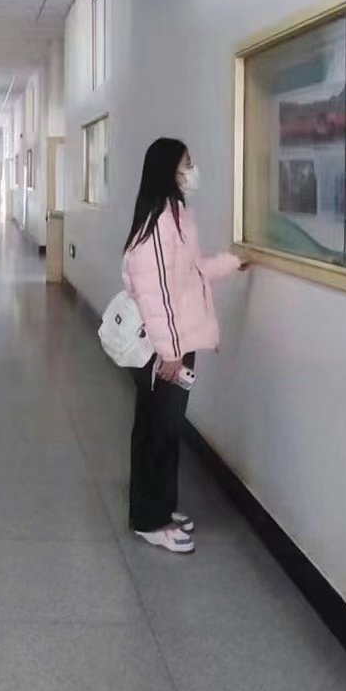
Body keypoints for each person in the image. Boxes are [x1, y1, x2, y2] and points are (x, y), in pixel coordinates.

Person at [121, 139, 249, 554]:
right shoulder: (159, 222)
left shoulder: (175, 215)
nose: (193, 171)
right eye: (187, 163)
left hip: (175, 341)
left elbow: (188, 276)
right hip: (166, 348)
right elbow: (154, 292)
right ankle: (149, 521)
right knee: (158, 432)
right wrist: (171, 352)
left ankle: (159, 506)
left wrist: (233, 262)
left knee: (163, 428)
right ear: (168, 171)